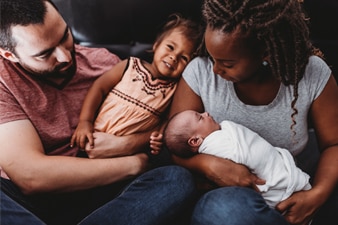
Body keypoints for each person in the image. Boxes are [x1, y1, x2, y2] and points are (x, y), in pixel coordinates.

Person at [0, 0, 197, 224]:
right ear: (9, 55)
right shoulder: (3, 80)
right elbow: (30, 176)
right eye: (45, 54)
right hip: (21, 200)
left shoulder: (104, 62)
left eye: (65, 36)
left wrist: (128, 145)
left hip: (99, 192)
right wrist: (135, 164)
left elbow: (159, 126)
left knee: (176, 180)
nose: (65, 56)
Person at [150, 0, 338, 224]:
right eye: (212, 57)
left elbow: (333, 144)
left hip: (275, 194)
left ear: (265, 52)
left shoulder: (311, 74)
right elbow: (176, 144)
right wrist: (209, 166)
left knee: (228, 210)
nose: (215, 69)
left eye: (227, 64)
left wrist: (317, 195)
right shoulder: (200, 72)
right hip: (216, 194)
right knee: (216, 203)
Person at [70, 14, 202, 157]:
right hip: (94, 136)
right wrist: (85, 121)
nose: (173, 57)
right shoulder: (129, 66)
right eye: (170, 47)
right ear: (156, 45)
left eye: (184, 58)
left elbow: (167, 122)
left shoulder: (174, 90)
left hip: (128, 153)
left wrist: (157, 137)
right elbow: (98, 88)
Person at [163, 109, 312, 208]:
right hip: (276, 186)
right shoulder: (214, 145)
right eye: (201, 117)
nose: (207, 113)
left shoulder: (218, 133)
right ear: (195, 141)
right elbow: (243, 156)